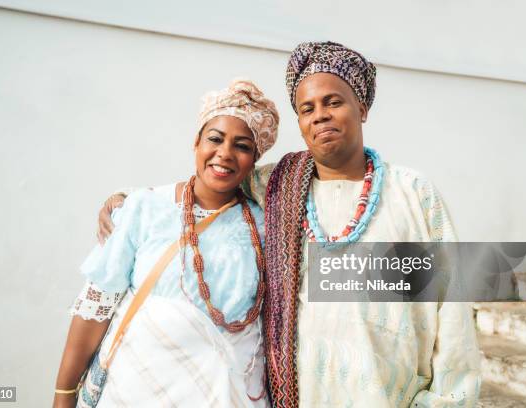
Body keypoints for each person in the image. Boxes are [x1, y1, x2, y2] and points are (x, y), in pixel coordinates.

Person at [99, 42, 481, 407]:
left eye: (334, 102)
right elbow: (214, 179)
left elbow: (450, 313)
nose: (321, 115)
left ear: (361, 108)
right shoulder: (278, 185)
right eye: (307, 108)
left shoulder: (412, 193)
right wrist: (129, 197)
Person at [54, 79, 279, 408]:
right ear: (197, 142)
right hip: (133, 391)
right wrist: (63, 395)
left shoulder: (266, 225)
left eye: (242, 146)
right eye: (215, 139)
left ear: (254, 159)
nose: (225, 153)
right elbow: (94, 310)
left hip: (226, 396)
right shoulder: (143, 207)